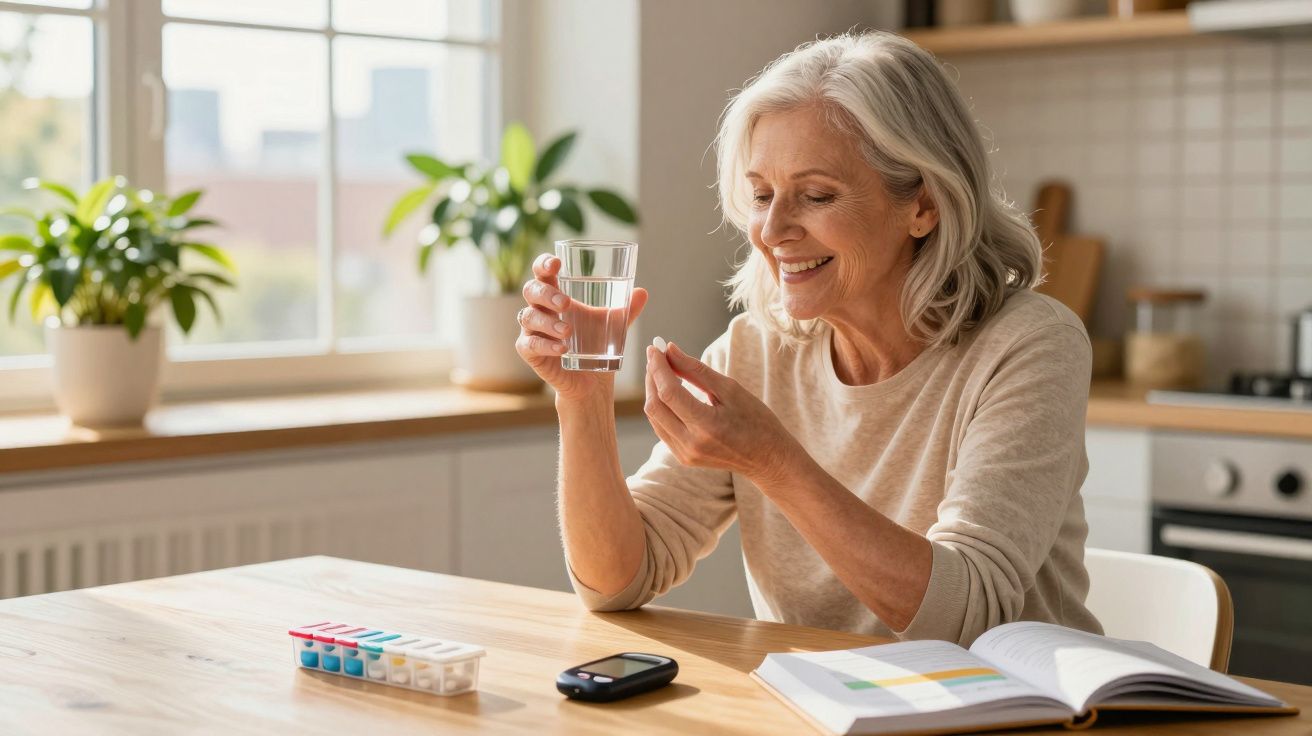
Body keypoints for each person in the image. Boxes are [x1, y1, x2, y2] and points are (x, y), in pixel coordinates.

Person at [515, 31, 1101, 647]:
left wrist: (774, 460)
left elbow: (969, 615)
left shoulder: (1030, 346)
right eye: (762, 195)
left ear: (922, 207)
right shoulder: (754, 352)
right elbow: (614, 582)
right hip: (820, 709)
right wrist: (582, 401)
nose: (771, 230)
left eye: (817, 195)